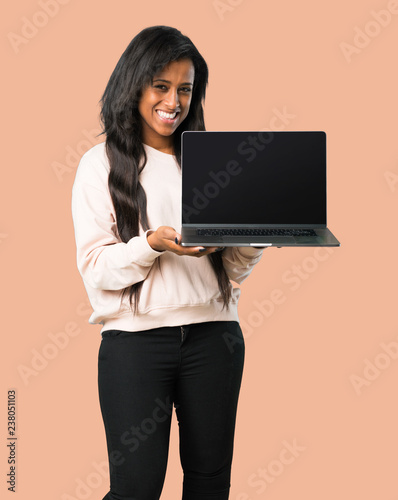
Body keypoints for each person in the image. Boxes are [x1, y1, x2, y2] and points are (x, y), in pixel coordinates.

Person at [71, 25, 265, 500]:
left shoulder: (216, 163)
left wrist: (260, 235)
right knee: (135, 488)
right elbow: (96, 268)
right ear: (134, 84)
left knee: (209, 483)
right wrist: (151, 245)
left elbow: (231, 270)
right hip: (135, 346)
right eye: (161, 86)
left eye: (185, 89)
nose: (173, 101)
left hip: (215, 338)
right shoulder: (100, 164)